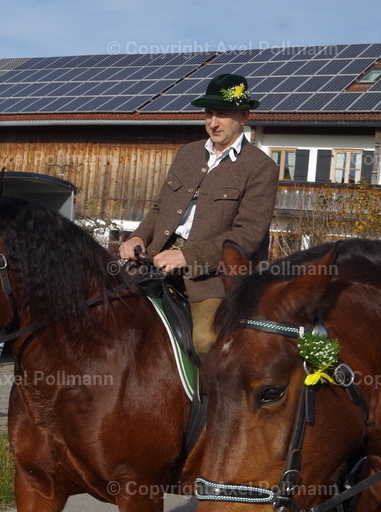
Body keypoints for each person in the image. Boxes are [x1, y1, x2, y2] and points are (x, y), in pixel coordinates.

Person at [120, 73, 279, 356]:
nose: (213, 122)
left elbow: (247, 237)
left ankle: (207, 388)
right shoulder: (188, 154)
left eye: (222, 114)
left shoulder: (260, 167)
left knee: (206, 342)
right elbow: (160, 208)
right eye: (209, 113)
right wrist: (137, 237)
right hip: (153, 261)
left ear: (244, 116)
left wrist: (186, 257)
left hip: (212, 279)